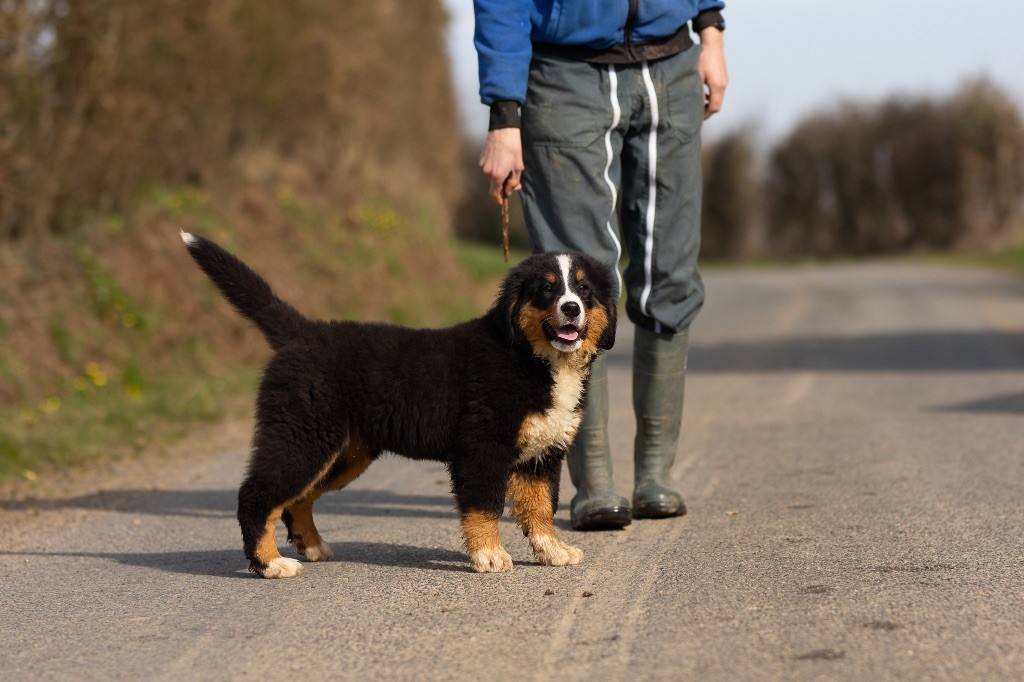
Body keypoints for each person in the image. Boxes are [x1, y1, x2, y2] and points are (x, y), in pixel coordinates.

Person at [473, 1, 728, 530]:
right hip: (566, 77)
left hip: (672, 65)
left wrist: (711, 32)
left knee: (673, 275)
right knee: (574, 284)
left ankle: (655, 474)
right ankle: (594, 485)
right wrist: (504, 112)